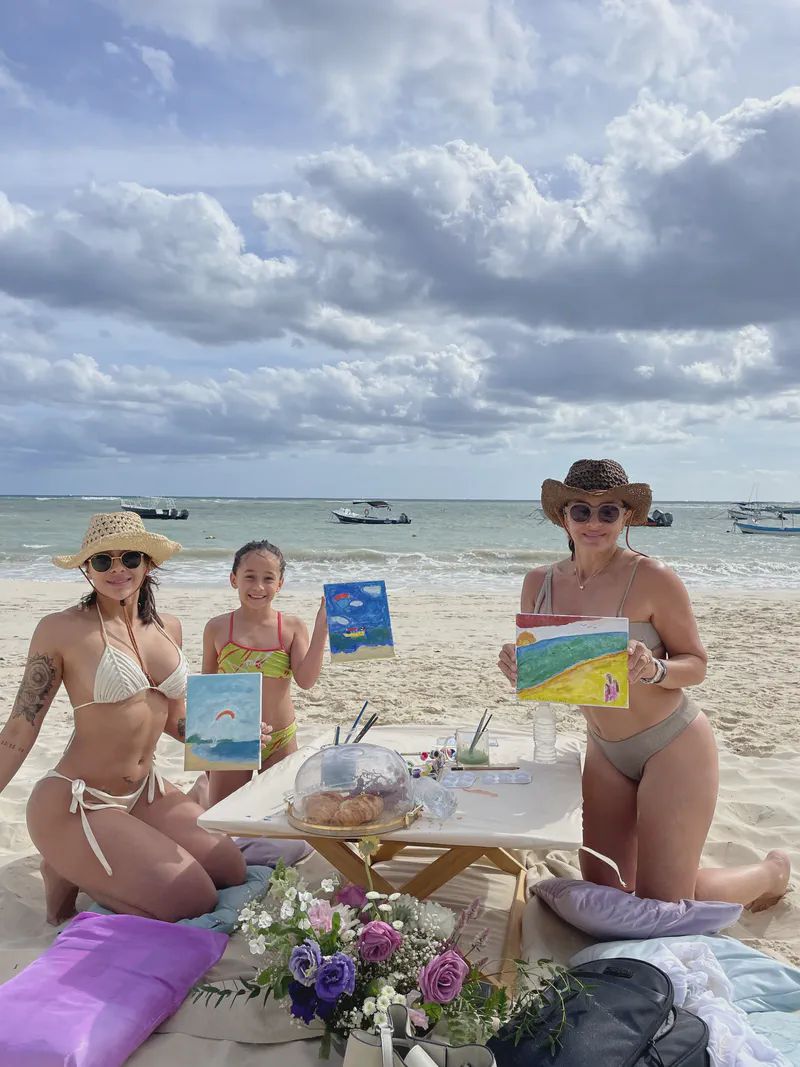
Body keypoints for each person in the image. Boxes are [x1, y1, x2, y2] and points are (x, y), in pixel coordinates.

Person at [499, 460, 790, 910]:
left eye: (608, 512)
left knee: (667, 903)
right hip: (604, 751)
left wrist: (653, 669)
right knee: (605, 894)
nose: (594, 523)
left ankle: (772, 872)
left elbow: (696, 664)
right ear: (563, 517)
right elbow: (563, 679)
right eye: (582, 511)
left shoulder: (654, 577)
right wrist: (525, 672)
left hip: (672, 746)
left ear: (627, 516)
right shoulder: (539, 583)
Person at [0, 513, 248, 926]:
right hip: (77, 802)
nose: (118, 568)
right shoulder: (61, 629)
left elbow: (173, 716)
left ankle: (91, 858)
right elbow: (20, 728)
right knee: (193, 899)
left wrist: (231, 733)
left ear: (148, 563)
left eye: (130, 557)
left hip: (145, 792)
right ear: (87, 569)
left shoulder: (169, 627)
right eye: (102, 561)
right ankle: (63, 865)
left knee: (229, 869)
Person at [202, 539, 327, 807]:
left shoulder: (291, 627)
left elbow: (306, 680)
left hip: (280, 737)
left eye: (268, 578)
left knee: (277, 820)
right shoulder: (218, 627)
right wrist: (204, 752)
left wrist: (322, 630)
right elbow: (207, 690)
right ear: (234, 579)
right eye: (250, 577)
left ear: (280, 584)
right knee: (226, 817)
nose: (259, 587)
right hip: (231, 736)